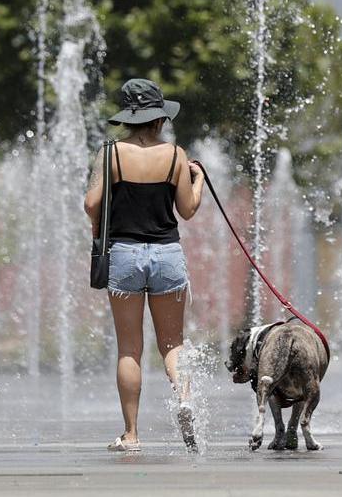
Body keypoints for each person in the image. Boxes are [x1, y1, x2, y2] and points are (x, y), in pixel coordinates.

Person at [84, 78, 204, 452]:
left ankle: (132, 434)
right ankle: (183, 397)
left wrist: (99, 232)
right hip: (167, 253)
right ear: (158, 120)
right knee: (172, 344)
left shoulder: (110, 153)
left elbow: (91, 204)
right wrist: (198, 180)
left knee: (129, 349)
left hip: (124, 253)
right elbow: (187, 209)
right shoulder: (175, 156)